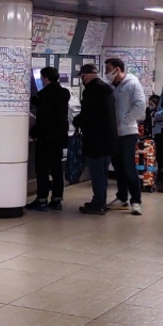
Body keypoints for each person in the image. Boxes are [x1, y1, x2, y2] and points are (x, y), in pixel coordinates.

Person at [72, 64, 117, 215]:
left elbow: (89, 115)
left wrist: (77, 121)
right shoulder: (106, 88)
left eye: (82, 76)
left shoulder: (92, 91)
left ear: (86, 75)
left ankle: (98, 203)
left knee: (97, 172)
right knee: (102, 172)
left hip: (96, 140)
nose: (82, 80)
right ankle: (100, 200)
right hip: (108, 138)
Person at [105, 58, 147, 215]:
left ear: (117, 69)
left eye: (109, 69)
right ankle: (122, 197)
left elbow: (140, 106)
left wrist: (125, 119)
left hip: (128, 133)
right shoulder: (111, 86)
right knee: (118, 167)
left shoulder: (132, 84)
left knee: (129, 167)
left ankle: (136, 201)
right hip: (114, 133)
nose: (107, 73)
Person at [27, 67, 70, 211]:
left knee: (42, 170)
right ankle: (57, 199)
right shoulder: (63, 93)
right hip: (59, 137)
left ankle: (41, 199)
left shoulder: (45, 95)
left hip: (46, 138)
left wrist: (34, 132)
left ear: (45, 78)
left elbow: (45, 117)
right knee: (57, 169)